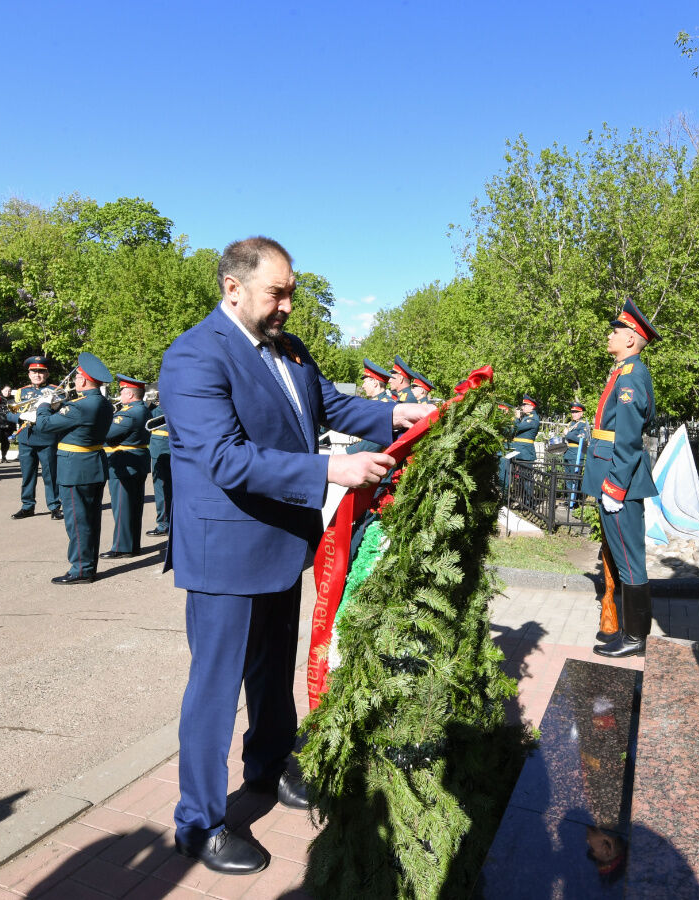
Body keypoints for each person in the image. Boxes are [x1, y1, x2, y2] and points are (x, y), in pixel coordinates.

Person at [160, 236, 434, 876]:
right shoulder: (195, 355)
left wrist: (399, 411)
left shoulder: (290, 350)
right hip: (224, 551)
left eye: (291, 292)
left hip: (279, 543)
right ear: (234, 287)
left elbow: (331, 406)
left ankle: (267, 766)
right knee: (215, 688)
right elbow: (225, 458)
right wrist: (334, 467)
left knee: (272, 669)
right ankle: (198, 822)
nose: (287, 305)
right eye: (275, 292)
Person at [585, 299, 660, 659]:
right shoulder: (621, 372)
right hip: (611, 472)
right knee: (619, 555)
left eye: (616, 330)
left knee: (630, 558)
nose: (610, 335)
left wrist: (614, 485)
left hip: (620, 479)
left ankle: (636, 637)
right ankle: (627, 631)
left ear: (631, 339)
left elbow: (628, 437)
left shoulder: (632, 376)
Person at [29, 352, 113, 584]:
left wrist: (43, 405)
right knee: (90, 520)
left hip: (76, 468)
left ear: (84, 381)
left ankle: (81, 570)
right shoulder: (102, 403)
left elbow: (45, 425)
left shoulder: (80, 406)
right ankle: (88, 565)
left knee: (77, 521)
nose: (74, 382)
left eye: (77, 378)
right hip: (93, 465)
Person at [101, 375, 150, 559]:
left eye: (122, 391)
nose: (120, 394)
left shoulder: (128, 413)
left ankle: (122, 547)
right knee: (134, 506)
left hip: (124, 463)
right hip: (137, 461)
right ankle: (132, 544)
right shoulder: (142, 410)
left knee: (122, 506)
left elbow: (107, 433)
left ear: (129, 393)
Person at [11, 357, 62, 520]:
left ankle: (54, 506)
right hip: (27, 437)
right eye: (34, 371)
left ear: (47, 373)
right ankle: (27, 506)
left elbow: (64, 413)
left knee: (51, 475)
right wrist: (21, 417)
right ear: (29, 374)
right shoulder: (21, 391)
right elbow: (10, 413)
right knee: (27, 475)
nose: (37, 375)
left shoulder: (56, 389)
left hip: (47, 438)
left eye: (41, 371)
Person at [345, 359, 396, 455]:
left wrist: (349, 452)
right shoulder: (377, 404)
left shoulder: (384, 405)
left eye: (365, 382)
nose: (363, 386)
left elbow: (377, 441)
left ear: (375, 383)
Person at [145, 397, 171, 538]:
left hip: (162, 449)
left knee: (162, 489)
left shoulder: (160, 409)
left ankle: (164, 524)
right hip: (164, 448)